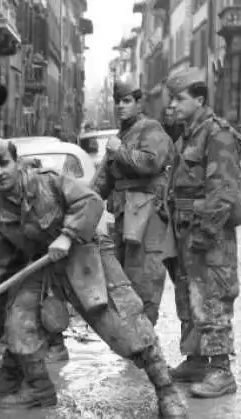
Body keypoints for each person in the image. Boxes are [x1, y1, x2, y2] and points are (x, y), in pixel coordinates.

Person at [0, 137, 188, 419]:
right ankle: (38, 388)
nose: (0, 172)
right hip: (43, 265)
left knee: (124, 326)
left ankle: (166, 390)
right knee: (18, 323)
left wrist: (67, 235)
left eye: (4, 164)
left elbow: (90, 201)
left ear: (15, 162)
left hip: (84, 252)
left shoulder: (49, 183)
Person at [165, 68, 241, 398]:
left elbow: (224, 189)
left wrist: (205, 232)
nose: (172, 104)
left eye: (179, 98)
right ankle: (197, 359)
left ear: (199, 99)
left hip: (208, 234)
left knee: (212, 296)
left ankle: (220, 369)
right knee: (188, 297)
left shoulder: (217, 134)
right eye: (171, 98)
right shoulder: (187, 135)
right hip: (185, 230)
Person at [90, 78, 174, 326]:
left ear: (139, 103)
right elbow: (102, 183)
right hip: (124, 221)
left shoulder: (151, 129)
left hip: (148, 220)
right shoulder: (120, 135)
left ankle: (147, 346)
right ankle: (134, 345)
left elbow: (151, 163)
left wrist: (119, 151)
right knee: (124, 284)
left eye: (126, 101)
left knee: (144, 283)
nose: (120, 106)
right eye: (117, 101)